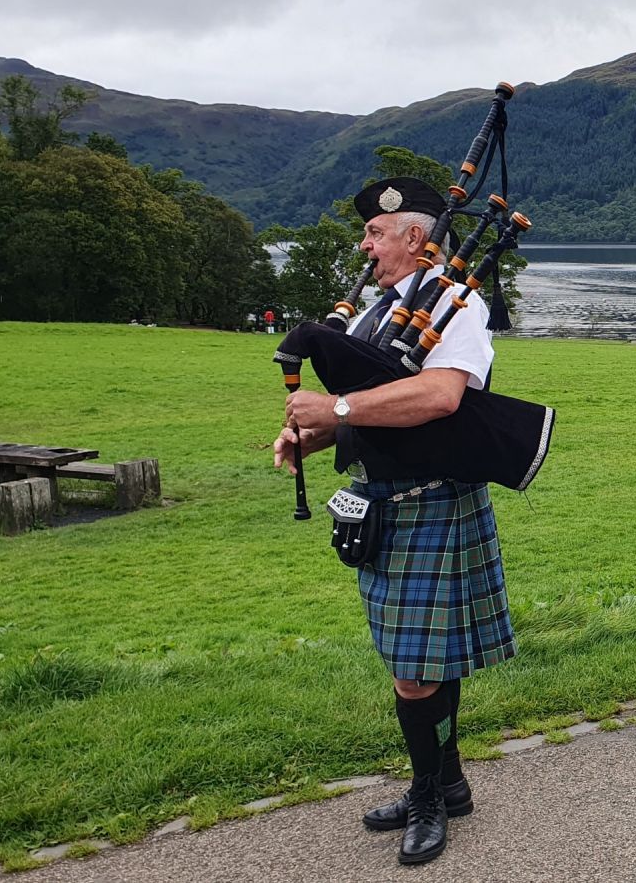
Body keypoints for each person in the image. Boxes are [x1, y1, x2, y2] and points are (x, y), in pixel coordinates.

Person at [273, 177, 514, 866]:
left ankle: (428, 794)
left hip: (434, 501)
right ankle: (452, 781)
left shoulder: (456, 307)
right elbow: (368, 407)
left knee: (415, 670)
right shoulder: (374, 315)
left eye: (377, 233)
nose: (365, 243)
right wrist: (309, 437)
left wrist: (336, 412)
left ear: (416, 238)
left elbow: (438, 397)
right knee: (425, 662)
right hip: (386, 506)